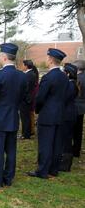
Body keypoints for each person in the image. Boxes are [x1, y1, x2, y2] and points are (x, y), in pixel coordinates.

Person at [0, 43, 27, 188]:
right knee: (11, 150)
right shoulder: (22, 76)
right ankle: (8, 177)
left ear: (3, 57)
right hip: (13, 117)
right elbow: (24, 96)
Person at [27, 48, 70, 179]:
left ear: (51, 59)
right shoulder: (64, 77)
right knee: (57, 143)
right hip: (60, 113)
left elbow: (40, 97)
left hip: (48, 114)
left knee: (45, 143)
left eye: (47, 57)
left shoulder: (48, 77)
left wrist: (38, 110)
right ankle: (53, 169)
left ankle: (42, 170)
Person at [59, 63, 79, 172]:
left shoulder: (70, 85)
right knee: (66, 137)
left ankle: (65, 164)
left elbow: (64, 98)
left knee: (66, 138)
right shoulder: (71, 84)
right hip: (69, 113)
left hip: (67, 114)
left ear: (67, 73)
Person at [19, 60, 39, 140]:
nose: (22, 66)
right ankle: (25, 133)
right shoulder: (31, 74)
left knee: (25, 117)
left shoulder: (28, 75)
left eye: (23, 65)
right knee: (25, 117)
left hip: (26, 99)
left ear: (26, 66)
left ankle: (26, 134)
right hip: (28, 98)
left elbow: (26, 88)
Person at [73, 60, 85, 158]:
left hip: (74, 106)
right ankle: (76, 151)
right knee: (79, 130)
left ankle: (71, 150)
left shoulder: (76, 78)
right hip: (82, 107)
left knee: (71, 130)